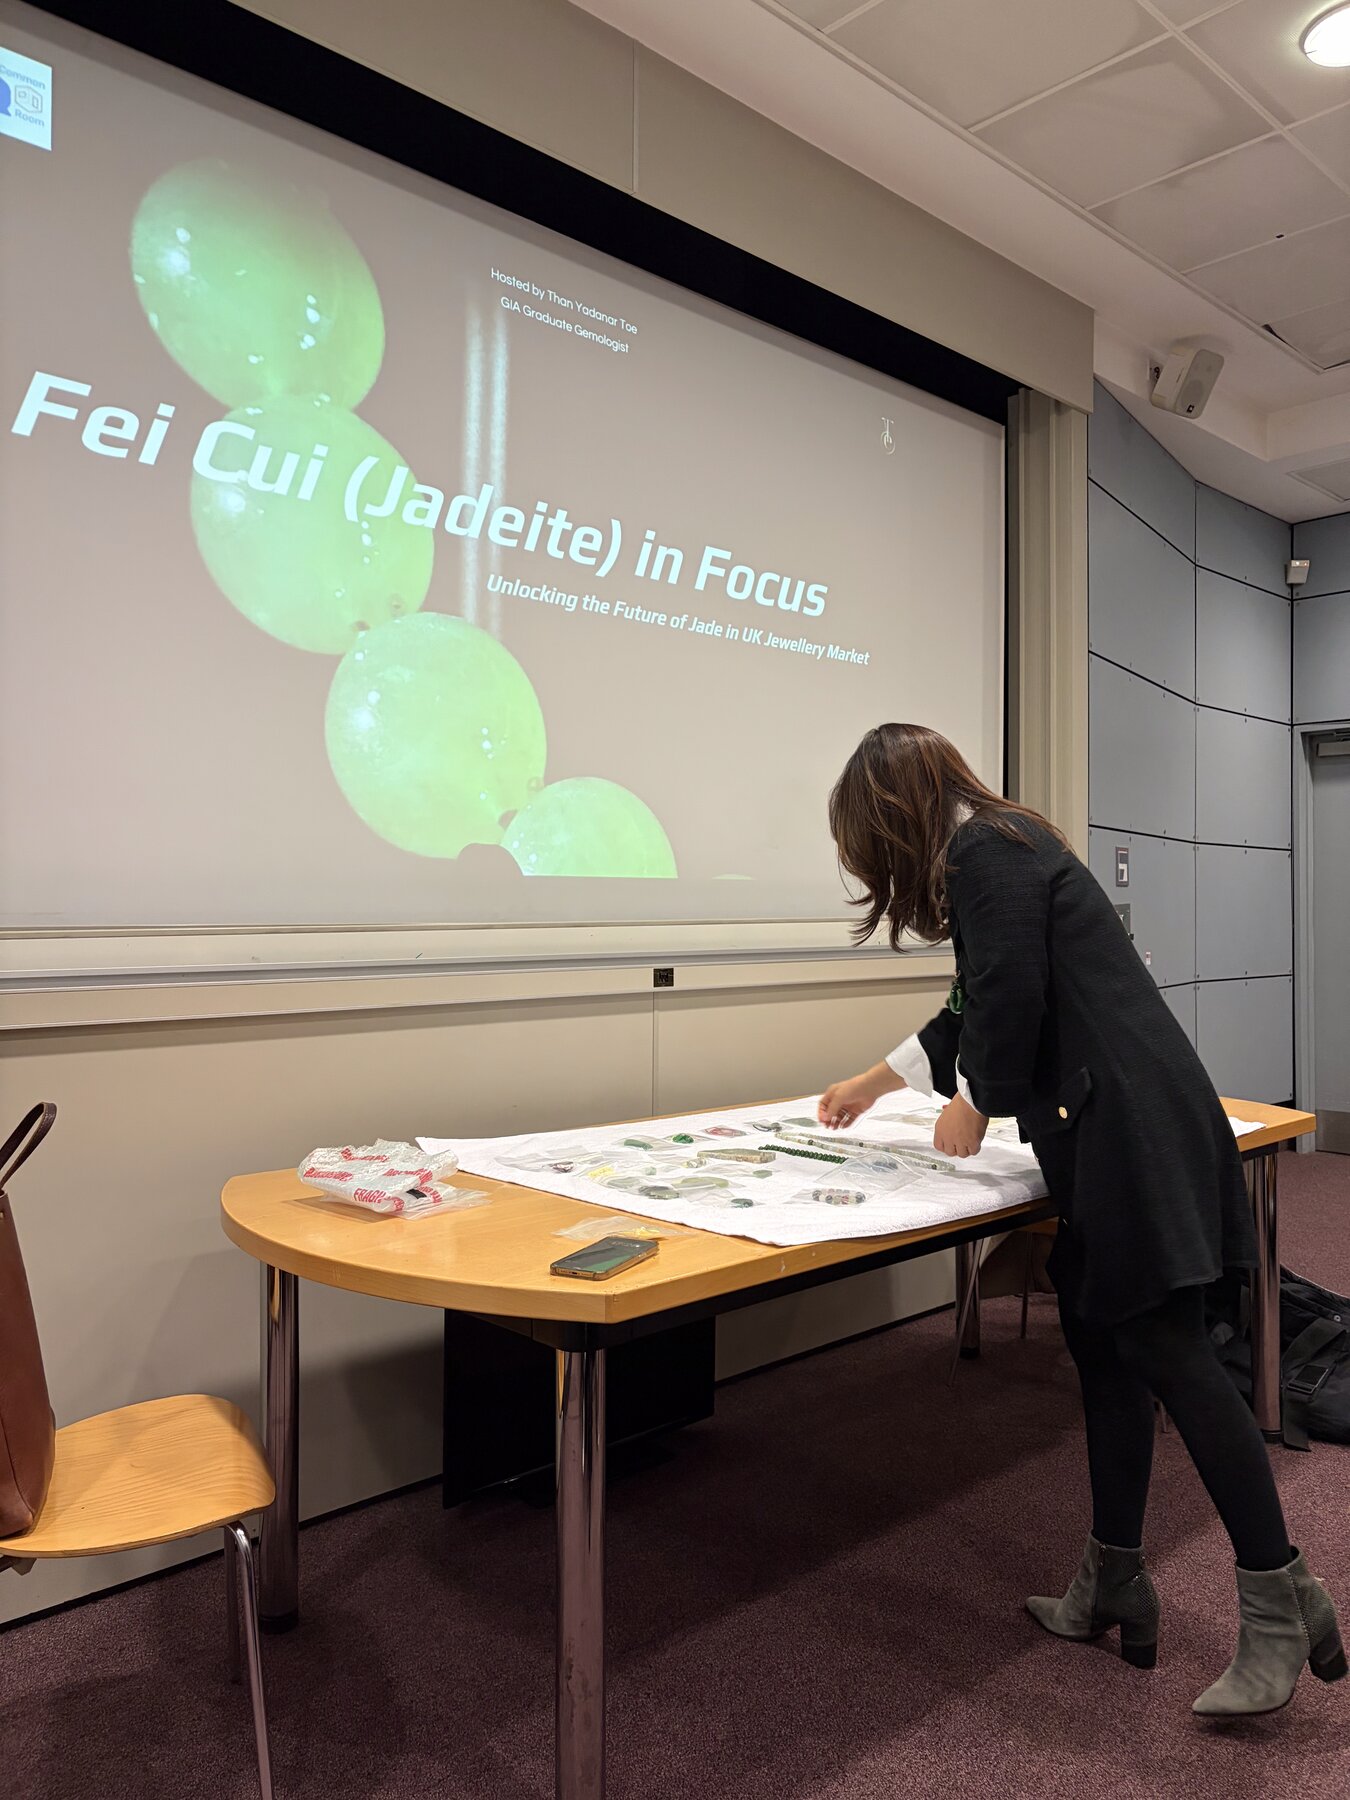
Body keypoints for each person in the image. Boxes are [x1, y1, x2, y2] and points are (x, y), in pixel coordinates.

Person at [818, 722, 1344, 1717]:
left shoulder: (986, 850)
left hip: (1131, 1137)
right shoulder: (997, 846)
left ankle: (1282, 1602)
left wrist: (978, 1097)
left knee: (1176, 1358)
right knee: (1108, 1354)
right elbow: (972, 1002)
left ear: (894, 815)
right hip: (1109, 1130)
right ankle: (1113, 1580)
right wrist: (872, 1081)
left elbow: (1006, 1006)